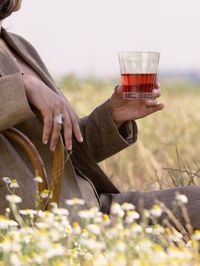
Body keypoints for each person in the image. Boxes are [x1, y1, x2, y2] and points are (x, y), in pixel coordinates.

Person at [1, 0, 200, 229]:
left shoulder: (20, 47)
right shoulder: (25, 79)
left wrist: (112, 116)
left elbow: (66, 149)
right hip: (44, 224)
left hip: (96, 207)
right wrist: (24, 88)